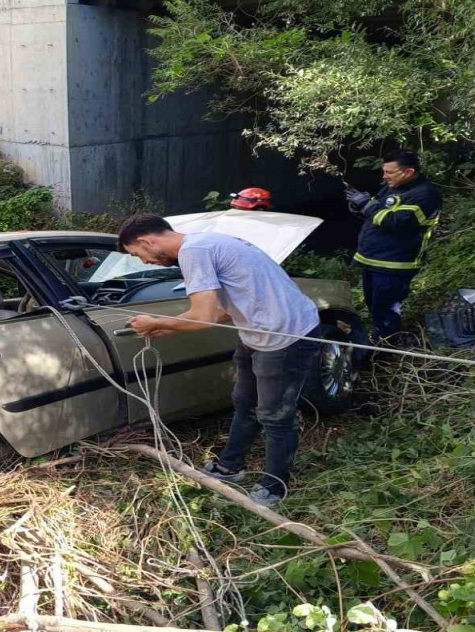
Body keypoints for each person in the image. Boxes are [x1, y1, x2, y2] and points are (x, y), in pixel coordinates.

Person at [118, 213, 324, 507]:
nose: (145, 262)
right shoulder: (207, 244)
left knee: (274, 415)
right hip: (258, 332)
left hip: (285, 336)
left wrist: (154, 321)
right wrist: (167, 325)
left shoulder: (194, 251)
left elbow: (204, 317)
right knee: (244, 401)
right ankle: (230, 467)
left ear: (146, 240)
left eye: (138, 255)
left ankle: (276, 486)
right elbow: (224, 309)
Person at [344, 150, 442, 343]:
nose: (384, 176)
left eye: (389, 172)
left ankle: (386, 349)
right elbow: (377, 211)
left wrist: (366, 204)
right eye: (384, 171)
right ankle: (380, 339)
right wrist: (360, 207)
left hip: (395, 263)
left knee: (385, 310)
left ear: (408, 172)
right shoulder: (393, 187)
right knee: (374, 305)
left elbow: (397, 222)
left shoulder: (426, 194)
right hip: (371, 259)